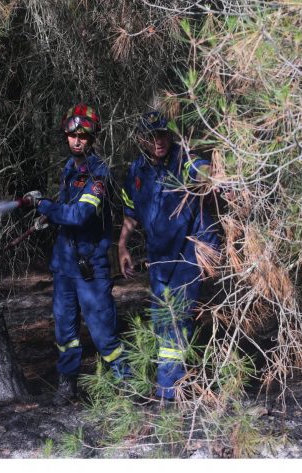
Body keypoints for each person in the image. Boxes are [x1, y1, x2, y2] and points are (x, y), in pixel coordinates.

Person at [21, 103, 128, 405]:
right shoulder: (68, 170)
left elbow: (81, 214)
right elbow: (66, 211)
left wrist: (44, 207)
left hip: (89, 268)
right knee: (65, 332)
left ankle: (126, 389)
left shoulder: (98, 174)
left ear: (93, 137)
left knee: (104, 334)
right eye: (72, 134)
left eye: (84, 135)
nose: (77, 140)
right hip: (65, 266)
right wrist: (50, 217)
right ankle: (68, 386)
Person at [117, 111, 220, 402]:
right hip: (160, 258)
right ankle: (174, 383)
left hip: (189, 251)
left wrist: (213, 173)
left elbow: (201, 170)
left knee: (176, 318)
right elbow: (131, 213)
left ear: (170, 134)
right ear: (141, 139)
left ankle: (169, 390)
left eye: (162, 134)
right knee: (163, 319)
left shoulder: (182, 158)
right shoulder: (138, 170)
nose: (158, 141)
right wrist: (122, 246)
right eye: (151, 136)